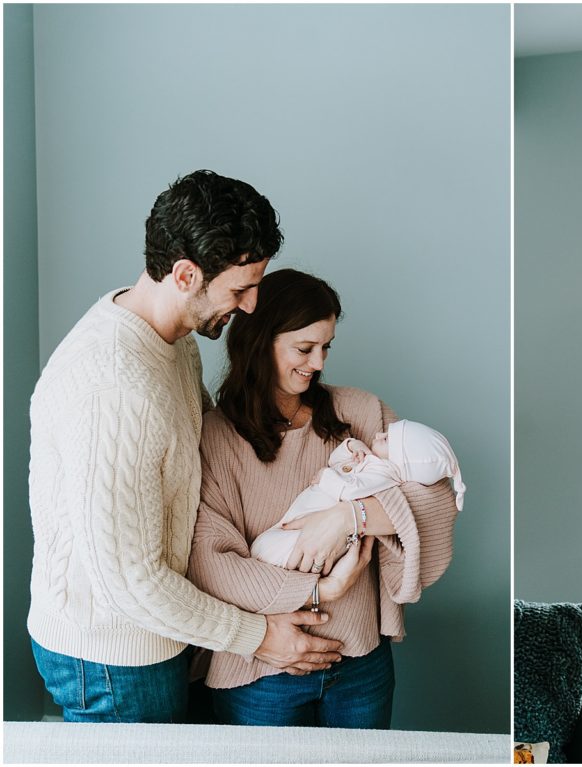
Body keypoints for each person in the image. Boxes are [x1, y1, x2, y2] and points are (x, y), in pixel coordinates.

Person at [27, 170, 345, 724]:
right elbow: (130, 581)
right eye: (240, 289)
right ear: (185, 274)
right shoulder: (115, 386)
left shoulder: (172, 344)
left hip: (162, 632)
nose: (250, 306)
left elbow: (213, 459)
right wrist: (259, 635)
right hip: (114, 656)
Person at [187, 268, 460, 728]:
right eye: (304, 348)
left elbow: (438, 502)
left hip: (360, 664)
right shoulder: (217, 437)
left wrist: (347, 517)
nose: (317, 363)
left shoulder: (360, 412)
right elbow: (210, 561)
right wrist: (318, 590)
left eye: (326, 347)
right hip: (262, 671)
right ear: (259, 342)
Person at [250, 418, 466, 567]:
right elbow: (336, 462)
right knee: (264, 545)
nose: (379, 434)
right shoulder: (372, 462)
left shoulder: (383, 477)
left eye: (387, 439)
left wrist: (325, 476)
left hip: (309, 533)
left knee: (269, 549)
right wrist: (352, 446)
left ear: (401, 459)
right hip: (299, 518)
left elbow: (347, 490)